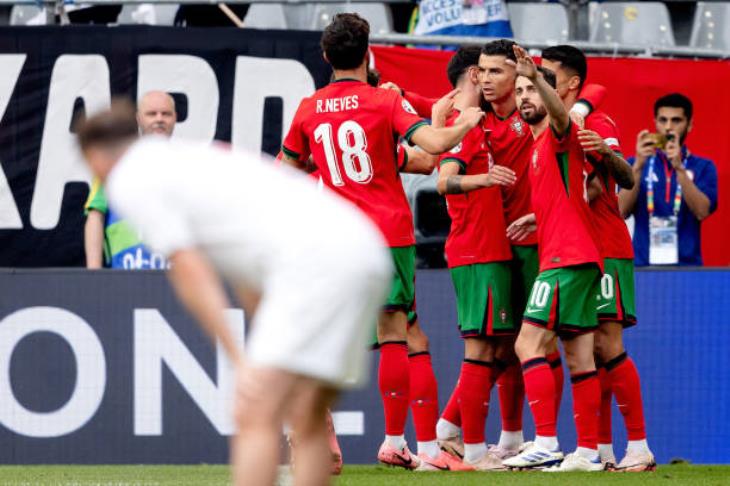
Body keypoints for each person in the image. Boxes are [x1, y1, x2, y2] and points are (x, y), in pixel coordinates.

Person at [77, 101, 392, 486]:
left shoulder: (132, 177)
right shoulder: (187, 162)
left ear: (94, 155)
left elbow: (189, 270)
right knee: (308, 414)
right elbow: (248, 270)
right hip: (364, 249)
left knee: (254, 410)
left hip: (317, 264)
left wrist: (237, 357)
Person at [279, 13, 484, 470]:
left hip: (332, 237)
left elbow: (286, 167)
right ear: (367, 54)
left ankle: (321, 429)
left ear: (327, 56)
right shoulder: (382, 101)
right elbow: (432, 144)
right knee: (397, 331)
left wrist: (325, 171)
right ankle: (397, 441)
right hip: (383, 234)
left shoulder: (309, 108)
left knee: (344, 336)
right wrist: (464, 123)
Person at [541, 44, 656, 472]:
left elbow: (604, 183)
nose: (539, 82)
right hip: (576, 249)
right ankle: (601, 449)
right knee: (586, 349)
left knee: (608, 344)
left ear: (571, 84)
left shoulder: (597, 121)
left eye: (548, 74)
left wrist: (602, 154)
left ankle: (639, 447)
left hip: (605, 245)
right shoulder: (556, 127)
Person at [501, 46, 603, 472]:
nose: (525, 97)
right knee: (580, 358)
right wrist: (536, 217)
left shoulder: (559, 133)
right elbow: (567, 203)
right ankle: (588, 452)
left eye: (532, 89)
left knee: (527, 343)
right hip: (574, 255)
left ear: (551, 95)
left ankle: (544, 440)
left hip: (565, 260)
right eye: (520, 90)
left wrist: (540, 79)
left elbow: (564, 116)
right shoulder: (539, 145)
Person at [434, 46, 518, 471]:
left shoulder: (465, 122)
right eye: (482, 72)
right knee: (480, 350)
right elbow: (444, 181)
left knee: (503, 347)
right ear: (473, 75)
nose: (488, 80)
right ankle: (473, 450)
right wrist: (487, 178)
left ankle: (450, 428)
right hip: (476, 249)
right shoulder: (463, 124)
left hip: (487, 247)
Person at [619, 93, 718, 266]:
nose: (668, 127)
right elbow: (621, 211)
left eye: (676, 121)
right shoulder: (634, 164)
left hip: (688, 267)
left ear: (690, 125)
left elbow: (702, 211)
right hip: (642, 266)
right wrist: (638, 167)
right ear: (655, 122)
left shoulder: (704, 167)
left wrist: (679, 168)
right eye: (663, 120)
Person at [84, 90, 177, 269]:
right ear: (138, 118)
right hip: (125, 280)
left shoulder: (187, 165)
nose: (159, 119)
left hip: (176, 279)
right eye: (151, 114)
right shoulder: (113, 164)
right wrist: (93, 275)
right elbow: (95, 216)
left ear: (175, 118)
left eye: (166, 114)